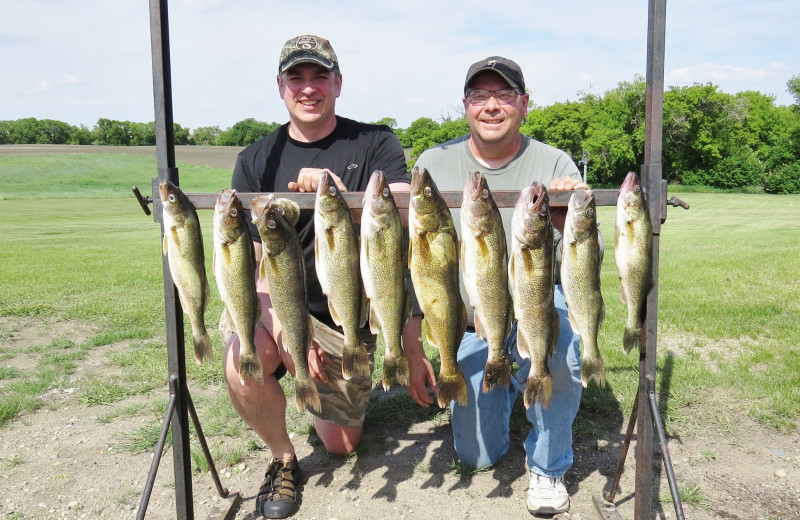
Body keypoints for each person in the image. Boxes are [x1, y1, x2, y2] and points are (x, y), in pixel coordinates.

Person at [221, 35, 412, 519]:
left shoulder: (374, 141)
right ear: (280, 86)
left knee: (342, 445)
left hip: (342, 315)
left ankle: (318, 393)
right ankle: (282, 457)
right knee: (242, 360)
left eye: (319, 77)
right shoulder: (255, 158)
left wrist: (346, 199)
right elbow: (256, 264)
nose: (308, 88)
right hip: (277, 308)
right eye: (297, 78)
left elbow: (404, 201)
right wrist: (287, 331)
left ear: (338, 83)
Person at [406, 56, 597, 516]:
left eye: (504, 95)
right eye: (479, 96)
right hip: (472, 313)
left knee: (563, 351)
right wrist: (415, 342)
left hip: (536, 298)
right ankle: (506, 373)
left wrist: (561, 214)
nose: (491, 106)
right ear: (466, 106)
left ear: (524, 104)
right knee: (477, 455)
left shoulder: (554, 162)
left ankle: (549, 465)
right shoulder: (433, 164)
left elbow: (585, 260)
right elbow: (415, 264)